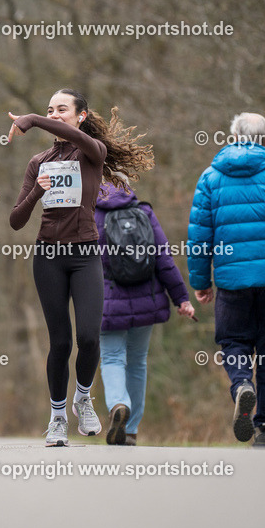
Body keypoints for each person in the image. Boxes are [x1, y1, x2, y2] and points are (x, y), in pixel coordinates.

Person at [8, 92, 154, 446]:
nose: (54, 114)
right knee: (60, 342)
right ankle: (57, 417)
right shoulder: (38, 161)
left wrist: (34, 119)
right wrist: (36, 193)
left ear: (81, 116)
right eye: (49, 110)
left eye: (61, 110)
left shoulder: (93, 153)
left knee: (89, 337)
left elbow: (79, 140)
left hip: (86, 254)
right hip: (48, 257)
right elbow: (15, 221)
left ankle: (82, 398)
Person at [187, 112, 265, 448]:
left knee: (233, 342)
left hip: (232, 280)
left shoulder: (211, 179)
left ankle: (243, 383)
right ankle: (263, 426)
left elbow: (199, 236)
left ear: (233, 135)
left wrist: (201, 281)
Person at [94, 183, 196, 446]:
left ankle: (118, 404)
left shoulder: (92, 215)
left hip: (107, 302)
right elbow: (164, 259)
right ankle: (131, 429)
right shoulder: (144, 212)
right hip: (146, 301)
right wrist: (181, 298)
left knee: (112, 358)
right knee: (137, 362)